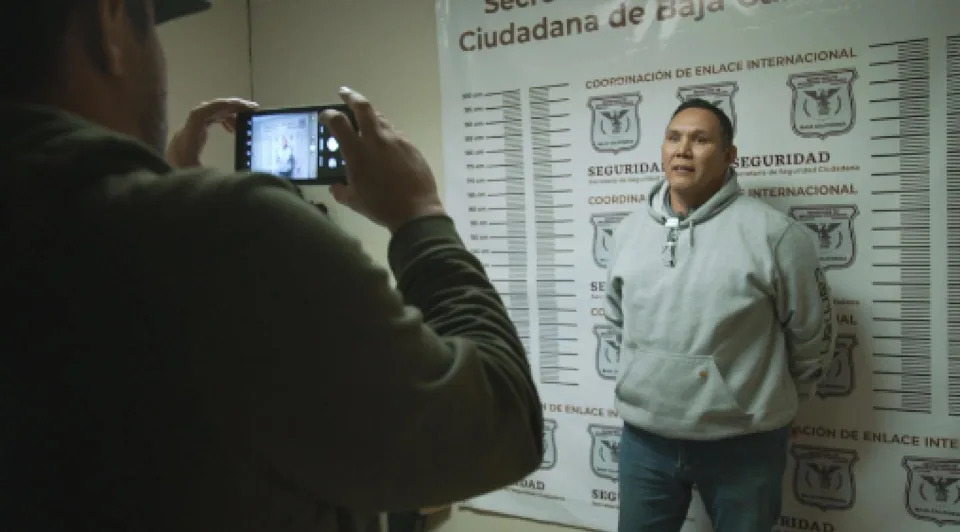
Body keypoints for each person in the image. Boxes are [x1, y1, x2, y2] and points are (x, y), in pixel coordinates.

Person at [0, 1, 543, 531]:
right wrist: (420, 216)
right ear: (110, 22)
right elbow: (500, 423)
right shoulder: (225, 236)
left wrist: (161, 194)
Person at [605, 98, 836, 532]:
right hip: (645, 442)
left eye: (701, 139)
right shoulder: (627, 232)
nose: (683, 150)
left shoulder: (775, 235)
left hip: (744, 445)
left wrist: (766, 405)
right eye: (673, 138)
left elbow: (811, 334)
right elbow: (617, 322)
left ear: (730, 156)